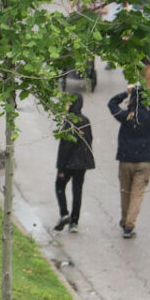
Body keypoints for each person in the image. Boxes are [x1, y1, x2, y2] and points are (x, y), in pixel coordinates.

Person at [108, 82, 150, 240]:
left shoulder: (125, 116)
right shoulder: (149, 117)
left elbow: (111, 103)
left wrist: (126, 92)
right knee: (137, 194)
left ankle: (125, 221)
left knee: (125, 192)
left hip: (126, 159)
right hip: (144, 161)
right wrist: (148, 95)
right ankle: (129, 226)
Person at [53, 94, 94, 232]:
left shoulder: (68, 122)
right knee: (77, 191)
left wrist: (61, 168)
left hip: (69, 163)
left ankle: (64, 213)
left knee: (60, 185)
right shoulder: (86, 120)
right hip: (81, 163)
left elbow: (65, 147)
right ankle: (74, 221)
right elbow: (90, 140)